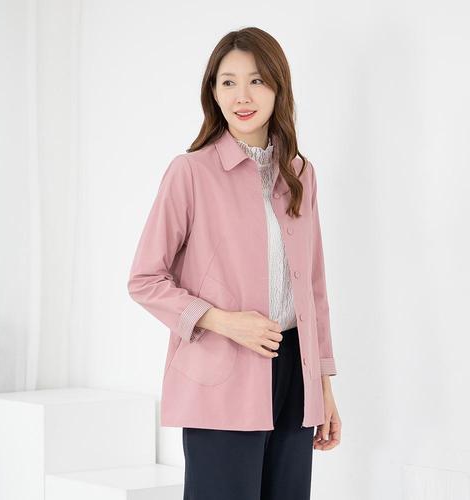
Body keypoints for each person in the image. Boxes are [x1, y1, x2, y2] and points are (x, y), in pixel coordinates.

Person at [127, 26, 341, 500]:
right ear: (213, 92)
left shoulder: (300, 174)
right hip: (222, 375)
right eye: (228, 82)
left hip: (295, 376)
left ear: (278, 88)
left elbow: (314, 287)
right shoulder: (190, 172)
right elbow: (144, 279)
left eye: (257, 81)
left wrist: (323, 386)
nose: (242, 96)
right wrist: (224, 321)